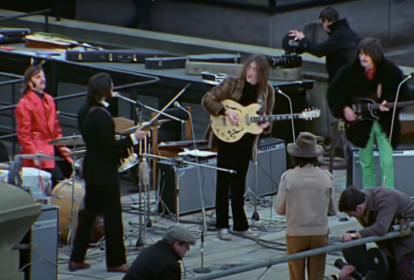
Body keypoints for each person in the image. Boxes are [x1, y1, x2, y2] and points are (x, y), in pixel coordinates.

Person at [69, 73, 147, 272]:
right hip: (104, 173)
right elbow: (108, 146)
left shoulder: (84, 111)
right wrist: (133, 138)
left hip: (92, 169)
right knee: (113, 219)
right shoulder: (100, 116)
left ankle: (76, 258)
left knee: (89, 217)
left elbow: (98, 140)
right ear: (105, 91)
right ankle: (116, 261)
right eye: (111, 87)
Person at [201, 54, 275, 241]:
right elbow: (207, 99)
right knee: (223, 181)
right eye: (249, 68)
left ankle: (240, 225)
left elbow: (268, 117)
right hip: (226, 137)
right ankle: (222, 225)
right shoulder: (232, 83)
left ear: (263, 73)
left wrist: (266, 125)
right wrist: (226, 111)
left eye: (256, 70)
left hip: (247, 141)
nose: (251, 73)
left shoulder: (267, 91)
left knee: (240, 183)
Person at [328, 38, 409, 189]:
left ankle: (387, 196)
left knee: (387, 161)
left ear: (376, 55)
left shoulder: (390, 71)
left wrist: (390, 105)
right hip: (361, 123)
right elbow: (334, 92)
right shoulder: (349, 71)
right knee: (366, 163)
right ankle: (369, 198)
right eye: (360, 54)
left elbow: (402, 94)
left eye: (366, 54)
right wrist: (344, 107)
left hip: (384, 122)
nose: (362, 57)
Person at [275, 132, 337, 280]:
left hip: (295, 233)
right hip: (319, 233)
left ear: (295, 155)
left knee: (296, 276)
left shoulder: (288, 177)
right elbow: (333, 210)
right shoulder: (326, 177)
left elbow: (279, 208)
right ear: (315, 155)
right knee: (317, 276)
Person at [15, 65, 73, 188]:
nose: (42, 79)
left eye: (43, 76)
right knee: (57, 181)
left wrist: (62, 146)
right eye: (37, 77)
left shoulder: (49, 100)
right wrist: (33, 153)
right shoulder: (24, 104)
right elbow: (24, 135)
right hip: (38, 151)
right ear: (30, 83)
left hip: (52, 148)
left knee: (70, 173)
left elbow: (55, 127)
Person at [339, 187, 414, 280]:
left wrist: (355, 235)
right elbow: (372, 229)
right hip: (392, 232)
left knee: (404, 269)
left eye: (351, 214)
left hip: (408, 231)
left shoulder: (385, 198)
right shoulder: (362, 203)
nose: (350, 216)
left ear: (359, 208)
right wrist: (384, 248)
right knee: (389, 267)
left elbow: (380, 228)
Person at [289, 6, 359, 82]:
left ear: (326, 21)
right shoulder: (346, 32)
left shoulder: (340, 36)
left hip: (341, 79)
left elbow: (319, 51)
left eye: (321, 24)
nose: (322, 27)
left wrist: (303, 39)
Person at [123, 226, 196, 280]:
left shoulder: (155, 249)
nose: (188, 249)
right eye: (186, 245)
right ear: (176, 245)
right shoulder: (168, 264)